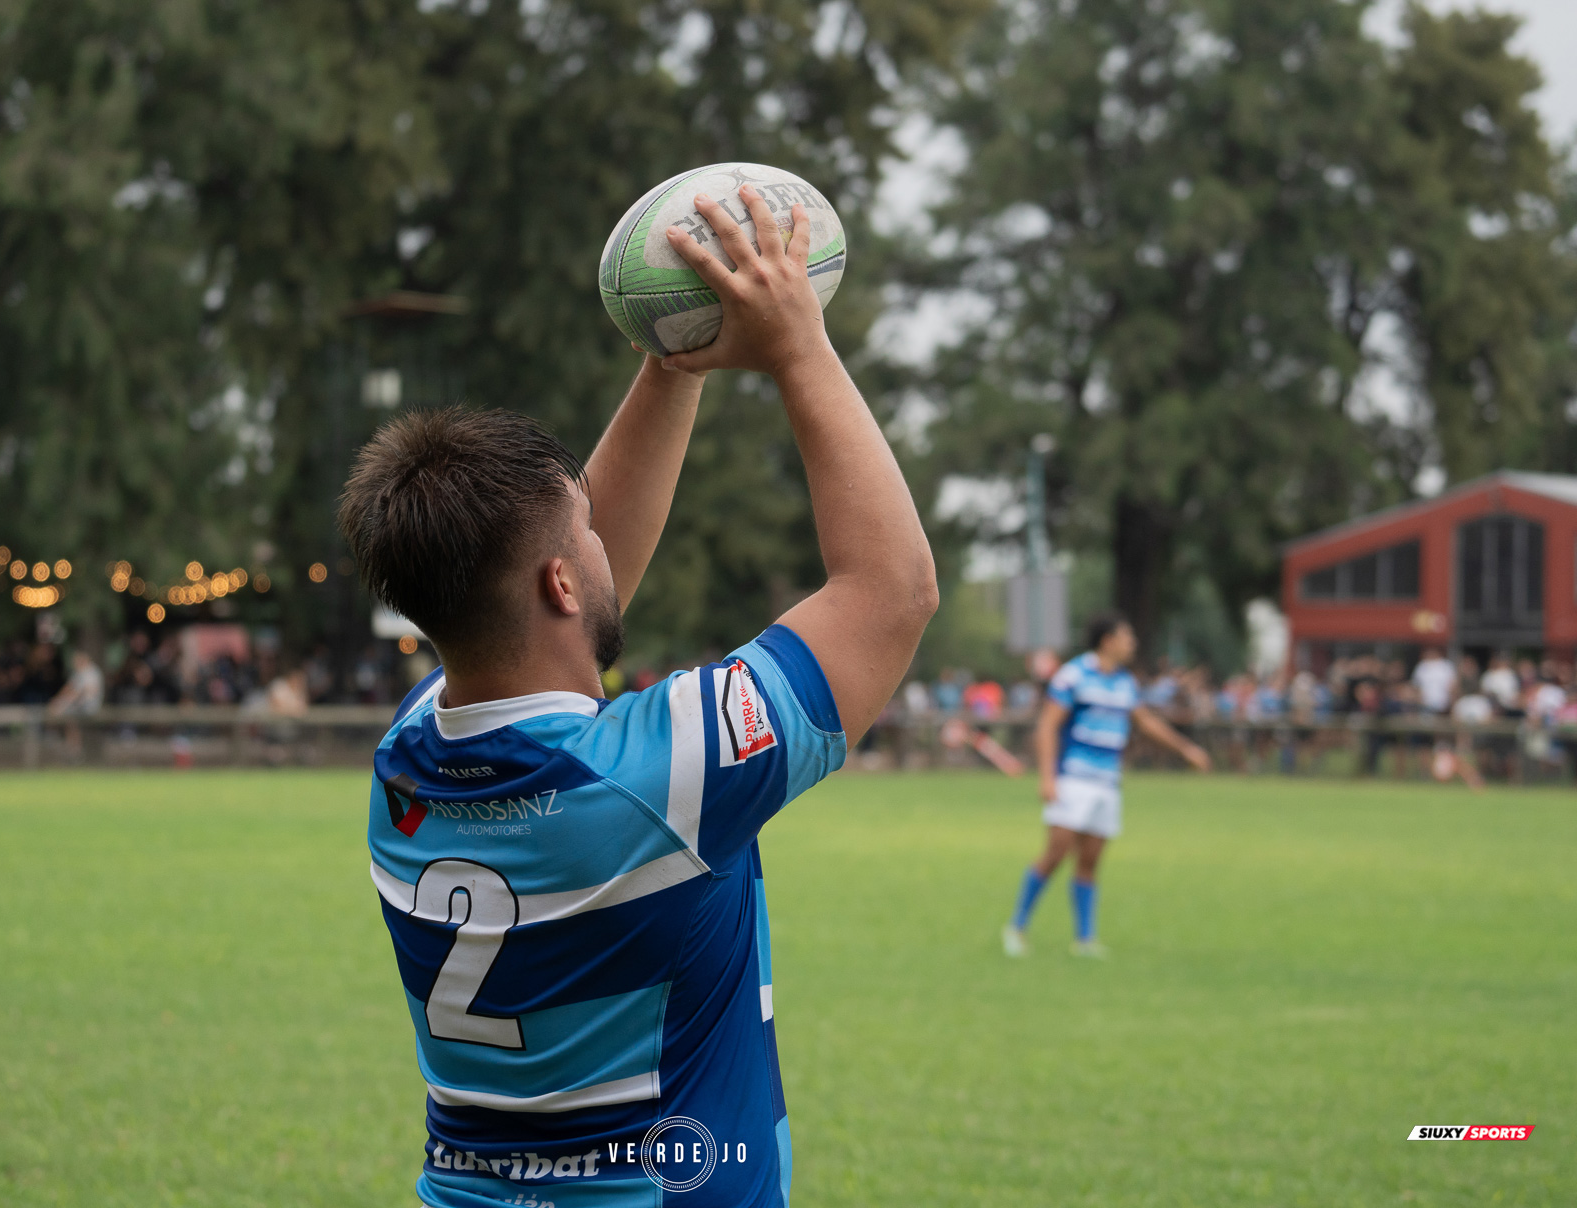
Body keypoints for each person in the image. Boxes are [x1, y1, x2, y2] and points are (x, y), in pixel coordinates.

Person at [338, 186, 936, 1208]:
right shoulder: (660, 776)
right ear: (565, 580)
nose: (604, 537)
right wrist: (798, 348)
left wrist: (675, 356)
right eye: (586, 533)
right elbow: (890, 592)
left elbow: (550, 614)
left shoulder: (409, 758)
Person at [1003, 612, 1211, 958]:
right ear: (1108, 640)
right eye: (1127, 636)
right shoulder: (1073, 676)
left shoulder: (1124, 683)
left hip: (1107, 784)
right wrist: (1047, 777)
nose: (1133, 643)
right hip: (1073, 780)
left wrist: (1186, 749)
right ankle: (1016, 927)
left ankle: (1085, 939)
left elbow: (1146, 723)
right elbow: (1047, 727)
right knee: (1055, 854)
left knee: (1090, 861)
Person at [1411, 646, 1456, 715]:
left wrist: (1451, 703)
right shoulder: (1422, 666)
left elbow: (1452, 686)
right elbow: (1416, 686)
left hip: (1443, 705)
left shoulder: (1446, 665)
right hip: (1425, 705)